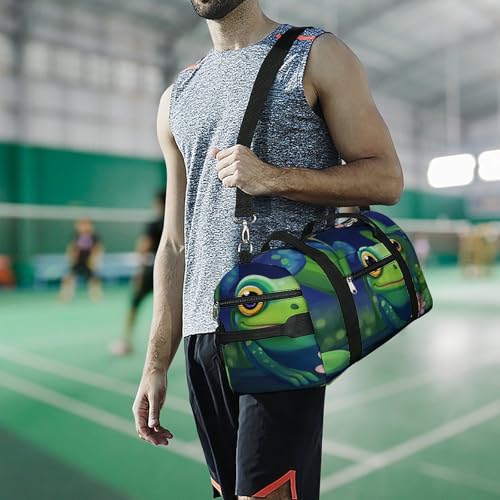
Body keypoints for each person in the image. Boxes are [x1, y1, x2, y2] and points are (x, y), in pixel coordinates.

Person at [132, 2, 404, 499]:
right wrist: (155, 363)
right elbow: (174, 242)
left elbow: (386, 178)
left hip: (283, 322)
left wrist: (273, 178)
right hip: (202, 335)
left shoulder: (316, 54)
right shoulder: (177, 96)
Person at [109, 190, 166, 356]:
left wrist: (139, 271)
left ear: (158, 203)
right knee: (168, 310)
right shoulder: (178, 221)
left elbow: (143, 247)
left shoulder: (154, 224)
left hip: (152, 270)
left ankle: (126, 340)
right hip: (172, 272)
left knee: (134, 304)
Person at [59, 218, 103, 302]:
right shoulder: (75, 236)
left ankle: (96, 296)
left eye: (86, 224)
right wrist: (71, 258)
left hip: (89, 262)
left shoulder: (94, 236)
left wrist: (95, 260)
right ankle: (65, 296)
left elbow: (98, 248)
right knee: (69, 278)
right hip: (77, 261)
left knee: (94, 279)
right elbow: (71, 248)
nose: (83, 226)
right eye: (81, 224)